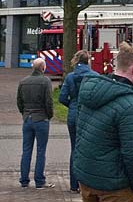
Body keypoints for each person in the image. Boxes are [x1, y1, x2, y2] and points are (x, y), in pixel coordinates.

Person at [74, 42, 133, 202]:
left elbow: (80, 132)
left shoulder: (90, 90)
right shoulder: (130, 104)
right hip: (114, 186)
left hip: (87, 177)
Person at [59, 50, 98, 193]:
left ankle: (73, 185)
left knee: (75, 148)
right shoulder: (95, 76)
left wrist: (73, 106)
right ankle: (88, 184)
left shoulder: (70, 77)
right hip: (89, 116)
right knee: (91, 148)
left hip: (74, 116)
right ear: (88, 61)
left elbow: (62, 98)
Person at [17, 57, 54, 189]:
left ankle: (24, 180)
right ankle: (39, 181)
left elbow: (19, 102)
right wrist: (49, 115)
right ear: (43, 67)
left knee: (26, 150)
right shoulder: (45, 81)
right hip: (41, 118)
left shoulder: (23, 82)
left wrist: (25, 113)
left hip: (27, 118)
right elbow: (49, 101)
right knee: (40, 150)